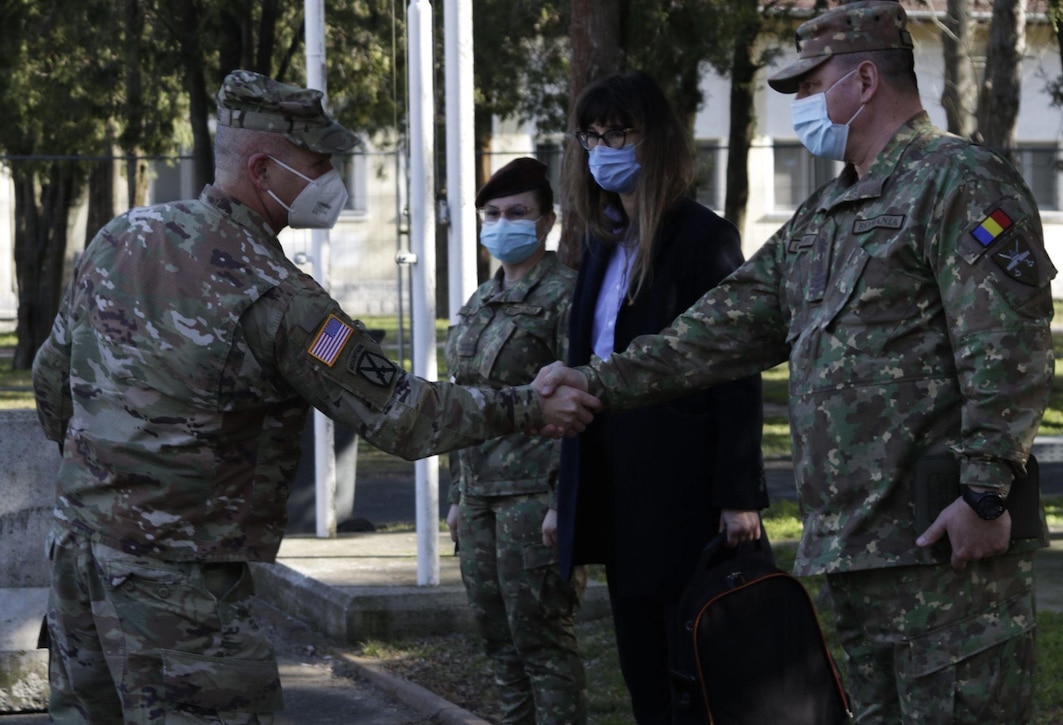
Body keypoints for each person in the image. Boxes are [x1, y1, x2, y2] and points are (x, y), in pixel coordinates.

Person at [534, 3, 1055, 723]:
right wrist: (593, 379)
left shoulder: (959, 181)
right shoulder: (823, 218)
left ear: (865, 79)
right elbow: (713, 333)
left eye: (810, 88)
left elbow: (1010, 345)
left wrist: (986, 493)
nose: (802, 107)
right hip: (855, 557)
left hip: (947, 555)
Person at [30, 70, 598, 724]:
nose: (332, 176)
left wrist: (111, 480)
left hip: (76, 566)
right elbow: (404, 415)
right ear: (264, 168)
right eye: (319, 161)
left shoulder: (118, 239)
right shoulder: (280, 297)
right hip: (180, 596)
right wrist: (530, 405)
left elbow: (53, 385)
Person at [557, 70, 768, 724]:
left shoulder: (702, 239)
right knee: (641, 666)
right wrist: (563, 491)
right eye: (591, 136)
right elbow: (585, 361)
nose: (603, 149)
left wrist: (738, 494)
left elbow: (735, 365)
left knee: (698, 671)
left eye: (619, 132)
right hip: (614, 481)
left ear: (656, 141)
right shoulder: (600, 244)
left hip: (683, 487)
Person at [444, 157, 586, 724]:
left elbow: (585, 402)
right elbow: (464, 403)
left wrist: (563, 503)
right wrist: (458, 494)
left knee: (542, 643)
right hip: (479, 497)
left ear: (547, 221)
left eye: (518, 213)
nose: (504, 224)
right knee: (499, 644)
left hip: (535, 496)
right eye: (494, 214)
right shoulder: (480, 302)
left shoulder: (568, 296)